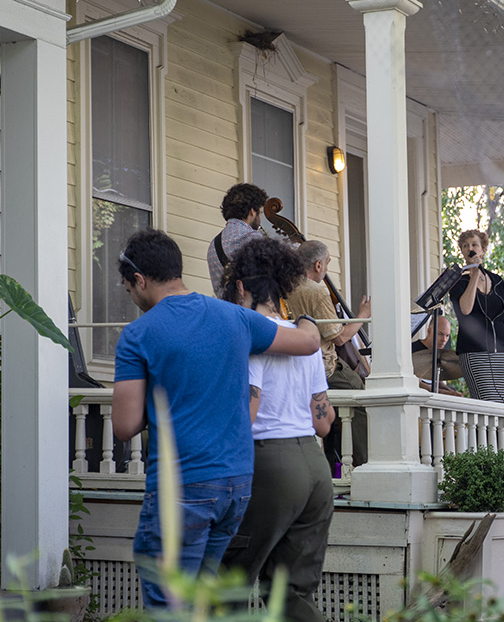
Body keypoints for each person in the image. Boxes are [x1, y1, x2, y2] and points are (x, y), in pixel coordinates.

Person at [111, 228, 321, 608]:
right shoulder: (235, 318)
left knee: (169, 604)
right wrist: (307, 318)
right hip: (236, 486)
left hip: (183, 485)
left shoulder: (137, 334)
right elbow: (306, 343)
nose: (131, 296)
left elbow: (124, 426)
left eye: (128, 288)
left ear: (139, 280)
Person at [219, 238, 336, 622]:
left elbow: (247, 412)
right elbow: (324, 421)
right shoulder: (306, 340)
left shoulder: (251, 336)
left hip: (271, 466)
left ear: (240, 286)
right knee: (290, 595)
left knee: (228, 586)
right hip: (315, 471)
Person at [449, 229, 504, 403]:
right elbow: (465, 310)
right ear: (462, 251)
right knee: (487, 405)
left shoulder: (497, 281)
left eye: (475, 245)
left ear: (483, 249)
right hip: (474, 352)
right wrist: (474, 274)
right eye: (465, 246)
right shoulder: (457, 281)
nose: (470, 248)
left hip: (501, 353)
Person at [285, 240, 371, 391]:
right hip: (322, 367)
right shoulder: (316, 292)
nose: (326, 269)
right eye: (327, 263)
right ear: (318, 265)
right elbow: (339, 338)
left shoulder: (285, 286)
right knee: (359, 391)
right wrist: (363, 314)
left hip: (294, 364)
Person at [208, 182, 268, 298]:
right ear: (252, 211)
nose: (260, 218)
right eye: (260, 213)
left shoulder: (213, 245)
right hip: (252, 312)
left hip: (226, 312)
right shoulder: (253, 238)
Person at [413, 316, 460, 396]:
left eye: (447, 336)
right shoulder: (414, 350)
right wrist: (446, 393)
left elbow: (437, 381)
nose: (444, 340)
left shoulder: (439, 353)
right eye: (440, 334)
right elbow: (417, 384)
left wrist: (450, 391)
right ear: (429, 331)